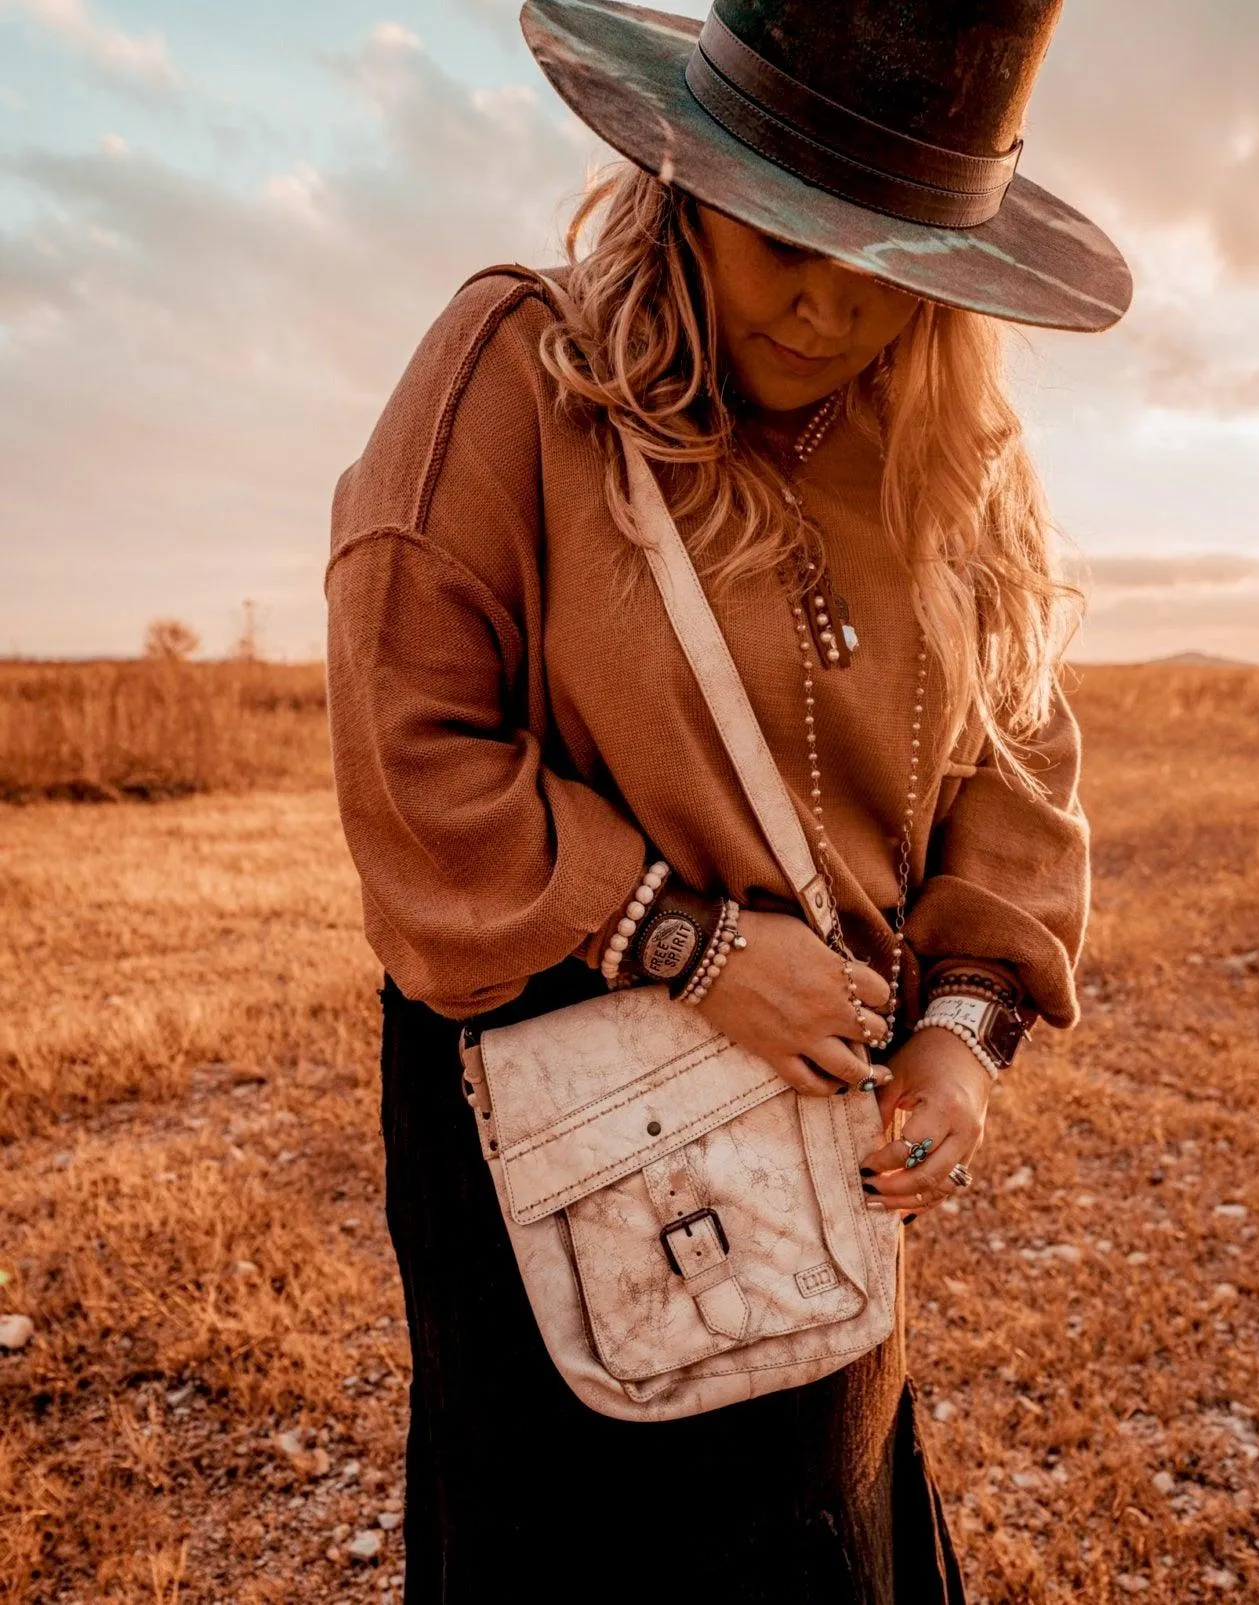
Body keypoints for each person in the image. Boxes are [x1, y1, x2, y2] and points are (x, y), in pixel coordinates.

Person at [325, 2, 1131, 1600]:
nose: (833, 311)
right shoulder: (519, 372)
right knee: (561, 1546)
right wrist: (691, 946)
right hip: (548, 1103)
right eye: (790, 246)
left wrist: (963, 1034)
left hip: (813, 1113)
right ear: (693, 179)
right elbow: (411, 750)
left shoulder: (951, 451)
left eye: (888, 265)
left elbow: (1019, 756)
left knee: (818, 1527)